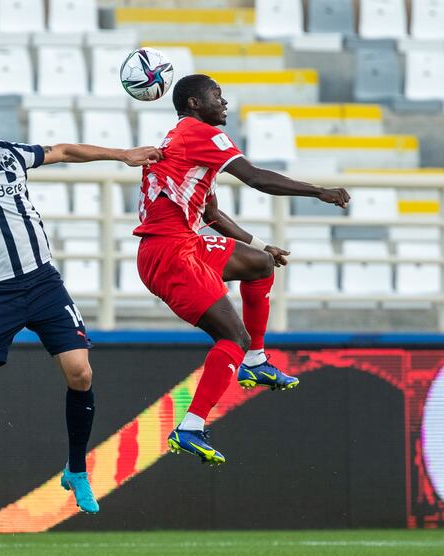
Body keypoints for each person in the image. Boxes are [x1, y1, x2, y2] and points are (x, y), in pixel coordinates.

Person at [0, 100, 162, 523]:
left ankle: (76, 469)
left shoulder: (10, 156)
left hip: (44, 283)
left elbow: (62, 151)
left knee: (81, 372)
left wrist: (124, 155)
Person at [134, 74, 350, 465]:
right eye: (216, 95)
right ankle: (192, 427)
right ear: (195, 104)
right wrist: (318, 191)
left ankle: (256, 361)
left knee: (259, 264)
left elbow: (212, 214)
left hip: (183, 243)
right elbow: (255, 177)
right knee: (232, 336)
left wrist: (261, 244)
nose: (224, 101)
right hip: (171, 253)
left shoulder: (184, 145)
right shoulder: (198, 134)